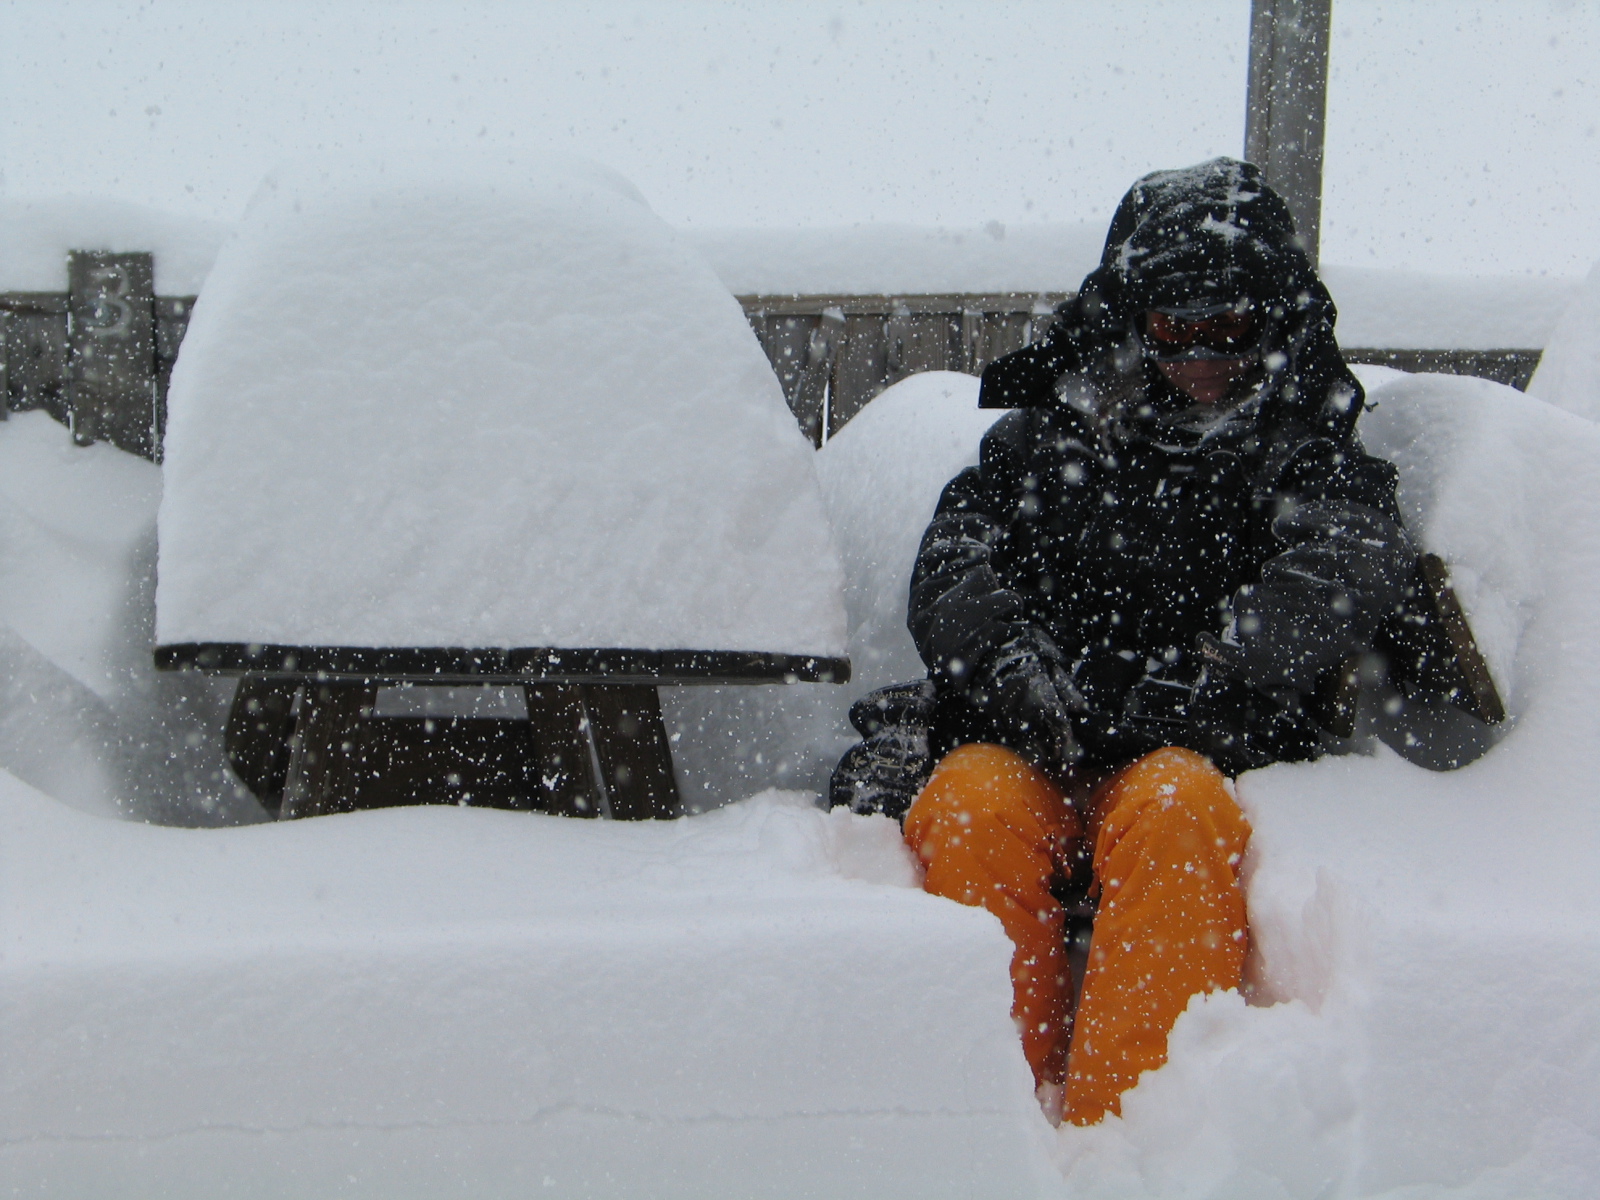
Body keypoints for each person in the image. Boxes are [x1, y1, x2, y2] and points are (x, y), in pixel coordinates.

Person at [831, 158, 1422, 1126]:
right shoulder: (1043, 436)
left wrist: (1216, 678)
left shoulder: (1311, 448)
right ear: (1132, 320)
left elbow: (1337, 567)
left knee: (1175, 817)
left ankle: (1126, 1126)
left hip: (1195, 743)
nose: (1200, 354)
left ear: (1271, 322)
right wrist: (1012, 670)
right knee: (972, 810)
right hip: (1026, 732)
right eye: (1173, 326)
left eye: (1227, 327)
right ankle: (983, 1119)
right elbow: (957, 562)